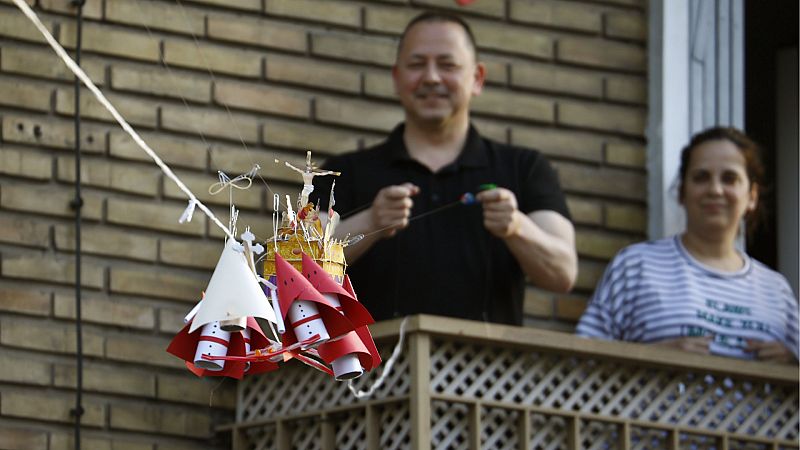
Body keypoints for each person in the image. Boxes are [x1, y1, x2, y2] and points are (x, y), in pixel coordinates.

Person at [312, 12, 577, 326]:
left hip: (486, 359)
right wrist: (371, 221)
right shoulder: (341, 173)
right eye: (417, 64)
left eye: (447, 65)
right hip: (375, 358)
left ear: (477, 78)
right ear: (396, 77)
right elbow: (300, 272)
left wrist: (516, 227)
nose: (432, 78)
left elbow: (563, 274)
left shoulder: (525, 168)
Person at [577, 127, 799, 363]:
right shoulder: (635, 266)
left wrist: (791, 365)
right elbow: (580, 360)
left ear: (752, 196)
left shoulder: (776, 291)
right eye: (701, 177)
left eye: (729, 178)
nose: (715, 190)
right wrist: (649, 357)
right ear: (682, 192)